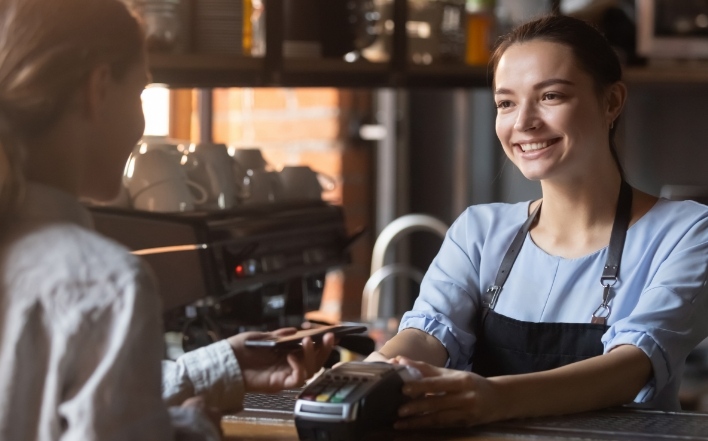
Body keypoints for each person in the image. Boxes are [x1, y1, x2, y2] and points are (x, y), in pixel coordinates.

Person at [0, 0, 334, 440]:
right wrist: (195, 431)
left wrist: (220, 367)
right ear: (97, 88)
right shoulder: (108, 283)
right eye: (140, 92)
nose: (141, 121)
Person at [366, 14, 708, 428]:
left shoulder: (687, 232)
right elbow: (427, 335)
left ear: (612, 101)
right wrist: (367, 376)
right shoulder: (479, 231)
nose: (523, 122)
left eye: (550, 96)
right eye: (506, 103)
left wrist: (496, 398)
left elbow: (631, 366)